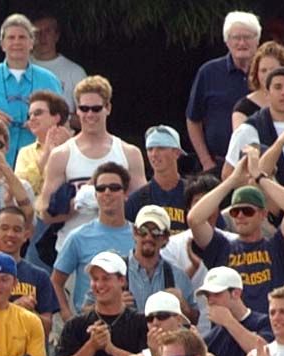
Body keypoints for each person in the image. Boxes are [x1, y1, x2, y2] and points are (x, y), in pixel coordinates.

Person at [187, 150, 284, 316]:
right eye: (235, 212)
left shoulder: (276, 247)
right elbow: (194, 219)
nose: (240, 216)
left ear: (263, 214)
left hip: (270, 326)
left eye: (247, 211)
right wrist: (231, 181)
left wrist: (259, 177)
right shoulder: (222, 247)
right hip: (229, 327)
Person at [38, 75, 146, 245]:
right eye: (84, 108)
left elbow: (142, 207)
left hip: (118, 246)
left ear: (108, 108)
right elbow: (45, 212)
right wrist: (79, 201)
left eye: (96, 109)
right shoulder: (62, 155)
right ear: (77, 110)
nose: (90, 114)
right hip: (74, 246)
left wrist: (108, 200)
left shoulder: (129, 153)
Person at [53, 252, 147, 356]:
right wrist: (91, 346)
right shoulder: (76, 325)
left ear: (122, 281)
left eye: (106, 278)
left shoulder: (140, 323)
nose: (99, 285)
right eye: (95, 279)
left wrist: (111, 349)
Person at [0, 14, 62, 165]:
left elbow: (63, 124)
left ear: (31, 43)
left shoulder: (49, 80)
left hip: (35, 164)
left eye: (22, 37)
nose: (16, 42)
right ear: (2, 44)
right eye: (11, 38)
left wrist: (42, 124)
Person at [50, 162, 136, 316]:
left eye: (114, 187)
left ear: (126, 193)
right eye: (101, 188)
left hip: (132, 322)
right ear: (95, 195)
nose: (107, 192)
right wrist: (68, 318)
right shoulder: (78, 237)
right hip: (90, 322)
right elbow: (56, 281)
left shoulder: (140, 236)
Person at [186, 11, 262, 173]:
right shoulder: (208, 72)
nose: (242, 43)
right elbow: (193, 120)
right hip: (217, 165)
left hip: (262, 165)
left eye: (247, 37)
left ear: (257, 40)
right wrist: (206, 161)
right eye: (236, 37)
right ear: (227, 41)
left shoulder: (267, 73)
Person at [126, 126, 188, 231]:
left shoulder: (192, 194)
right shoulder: (136, 200)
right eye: (150, 149)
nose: (154, 154)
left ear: (177, 153)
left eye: (161, 148)